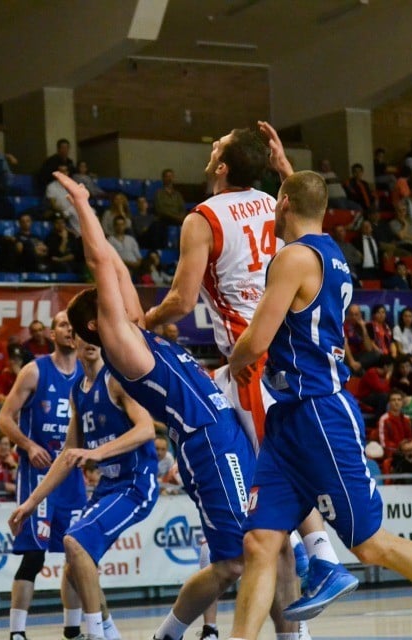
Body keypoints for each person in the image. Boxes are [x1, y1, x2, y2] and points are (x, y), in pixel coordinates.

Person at [225, 169, 412, 640]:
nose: (272, 207)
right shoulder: (331, 252)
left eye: (277, 200)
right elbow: (308, 196)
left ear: (284, 202)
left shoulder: (292, 257)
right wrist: (286, 168)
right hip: (288, 417)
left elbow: (256, 342)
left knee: (371, 546)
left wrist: (233, 363)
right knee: (260, 541)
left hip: (318, 412)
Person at [57, 170, 305, 640]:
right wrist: (83, 205)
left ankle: (293, 633)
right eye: (103, 301)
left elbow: (115, 266)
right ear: (96, 326)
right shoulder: (121, 348)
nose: (114, 296)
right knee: (235, 561)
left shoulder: (134, 329)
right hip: (207, 441)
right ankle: (168, 634)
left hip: (225, 423)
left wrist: (101, 234)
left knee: (275, 539)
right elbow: (100, 263)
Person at [143, 124, 353, 618]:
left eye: (217, 144)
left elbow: (180, 300)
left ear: (221, 167)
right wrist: (282, 165)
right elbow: (306, 201)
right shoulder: (270, 200)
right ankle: (302, 562)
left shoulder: (203, 217)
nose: (212, 143)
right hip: (287, 340)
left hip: (251, 350)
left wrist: (141, 324)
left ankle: (318, 558)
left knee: (274, 468)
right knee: (267, 465)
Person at [9, 337, 158, 640]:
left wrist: (97, 453)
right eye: (83, 336)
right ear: (74, 341)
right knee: (72, 563)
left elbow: (146, 429)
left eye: (96, 337)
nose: (90, 343)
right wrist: (30, 503)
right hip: (109, 485)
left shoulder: (117, 379)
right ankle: (106, 631)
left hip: (136, 482)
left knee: (75, 543)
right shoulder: (79, 390)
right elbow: (66, 455)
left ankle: (96, 634)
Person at [0, 310, 86, 640]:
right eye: (63, 324)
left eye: (73, 326)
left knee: (77, 554)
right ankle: (17, 632)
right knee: (34, 555)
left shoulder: (87, 374)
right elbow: (5, 418)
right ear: (52, 334)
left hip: (72, 476)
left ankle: (73, 628)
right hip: (36, 475)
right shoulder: (35, 370)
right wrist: (28, 444)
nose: (69, 330)